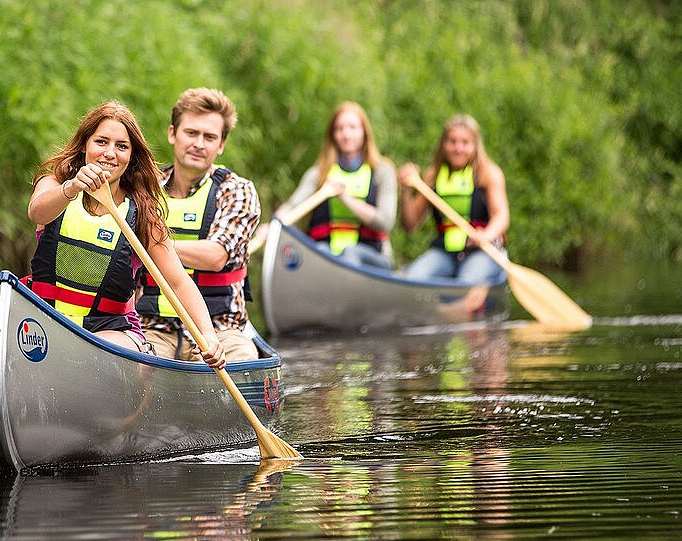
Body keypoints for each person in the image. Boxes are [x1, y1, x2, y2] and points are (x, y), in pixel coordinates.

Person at [27, 100, 225, 369]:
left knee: (100, 347)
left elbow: (178, 282)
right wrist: (72, 187)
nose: (110, 153)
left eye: (121, 146)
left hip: (111, 331)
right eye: (101, 142)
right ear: (85, 144)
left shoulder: (143, 214)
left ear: (131, 157)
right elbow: (37, 213)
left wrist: (209, 336)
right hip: (44, 319)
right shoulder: (55, 184)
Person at [136, 88, 260, 362]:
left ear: (221, 144)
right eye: (191, 133)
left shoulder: (236, 190)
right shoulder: (145, 189)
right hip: (152, 327)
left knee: (242, 361)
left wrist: (151, 246)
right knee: (130, 363)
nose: (199, 144)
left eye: (209, 137)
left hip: (220, 328)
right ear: (173, 134)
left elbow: (216, 257)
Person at [257, 101, 398, 269]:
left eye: (353, 128)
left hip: (371, 255)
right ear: (333, 135)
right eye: (339, 128)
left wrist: (344, 197)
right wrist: (273, 227)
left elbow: (385, 222)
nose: (346, 134)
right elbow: (293, 206)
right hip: (327, 252)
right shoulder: (319, 173)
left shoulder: (382, 171)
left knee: (350, 253)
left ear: (364, 133)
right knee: (318, 252)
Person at [397, 114, 510, 285]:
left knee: (466, 281)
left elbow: (501, 215)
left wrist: (486, 235)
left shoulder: (489, 173)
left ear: (475, 146)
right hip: (445, 252)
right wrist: (405, 190)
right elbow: (410, 224)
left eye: (465, 143)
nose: (458, 148)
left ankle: (459, 306)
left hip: (483, 251)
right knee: (412, 278)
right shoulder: (433, 175)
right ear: (443, 144)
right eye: (452, 141)